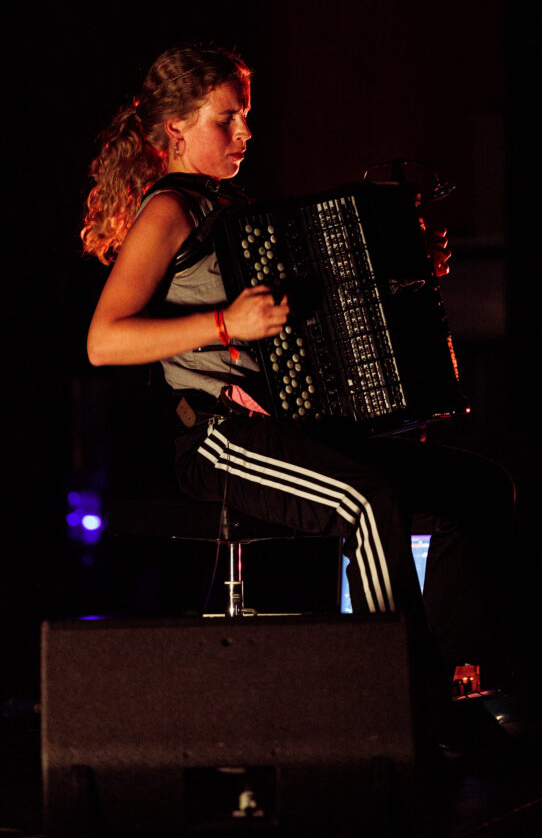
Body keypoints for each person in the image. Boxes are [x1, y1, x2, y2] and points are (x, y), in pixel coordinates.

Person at [83, 42, 515, 729]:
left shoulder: (235, 212)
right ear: (178, 130)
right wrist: (225, 323)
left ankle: (468, 678)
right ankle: (400, 705)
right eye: (227, 119)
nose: (245, 133)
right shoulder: (168, 210)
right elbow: (104, 341)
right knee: (366, 503)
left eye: (245, 118)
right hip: (220, 439)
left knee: (475, 490)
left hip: (288, 428)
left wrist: (407, 269)